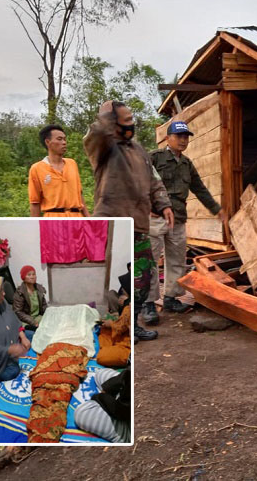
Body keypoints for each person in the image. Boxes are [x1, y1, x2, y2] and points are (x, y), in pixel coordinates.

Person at [83, 100, 174, 342]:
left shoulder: (139, 150)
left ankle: (131, 326)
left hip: (138, 226)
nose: (131, 123)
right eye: (126, 120)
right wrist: (105, 116)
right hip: (112, 225)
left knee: (143, 278)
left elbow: (154, 181)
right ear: (113, 124)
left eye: (132, 118)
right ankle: (106, 326)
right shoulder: (103, 148)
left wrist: (164, 205)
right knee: (111, 277)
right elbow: (95, 135)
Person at [145, 120, 226, 322]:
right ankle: (148, 304)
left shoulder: (187, 164)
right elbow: (137, 183)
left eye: (186, 137)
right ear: (167, 138)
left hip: (178, 218)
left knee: (177, 260)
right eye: (179, 136)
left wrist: (216, 209)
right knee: (150, 260)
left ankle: (171, 297)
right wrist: (145, 206)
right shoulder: (154, 158)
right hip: (155, 217)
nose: (183, 140)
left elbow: (199, 188)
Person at [28, 124, 90, 217]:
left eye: (65, 139)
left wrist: (89, 219)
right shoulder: (37, 169)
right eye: (59, 139)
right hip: (52, 219)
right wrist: (34, 226)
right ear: (48, 142)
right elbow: (35, 202)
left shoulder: (72, 164)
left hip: (76, 218)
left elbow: (79, 195)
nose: (64, 142)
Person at [74, 368, 130, 443]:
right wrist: (108, 387)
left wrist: (100, 397)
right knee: (101, 373)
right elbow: (127, 374)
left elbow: (120, 411)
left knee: (81, 413)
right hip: (125, 394)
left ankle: (126, 437)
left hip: (126, 417)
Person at [12, 265, 47, 329]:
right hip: (26, 321)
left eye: (34, 274)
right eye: (29, 275)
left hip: (38, 317)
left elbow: (44, 306)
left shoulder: (39, 289)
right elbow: (18, 312)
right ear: (23, 277)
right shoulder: (20, 292)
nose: (32, 277)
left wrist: (48, 315)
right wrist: (33, 322)